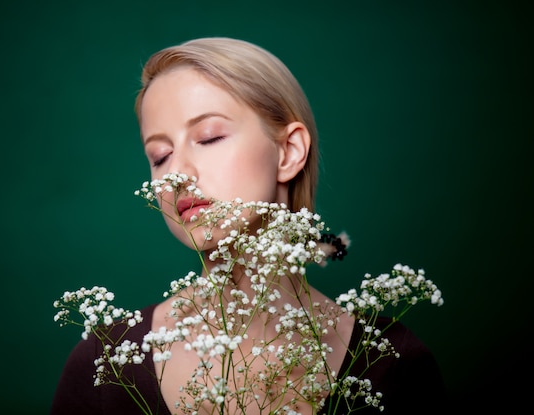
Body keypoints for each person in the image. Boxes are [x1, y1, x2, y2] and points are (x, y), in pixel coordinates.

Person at [50, 37, 446, 415]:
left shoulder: (392, 362)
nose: (178, 174)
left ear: (288, 152)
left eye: (209, 137)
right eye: (160, 156)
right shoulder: (107, 364)